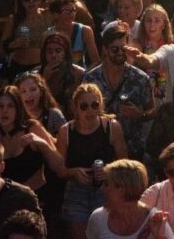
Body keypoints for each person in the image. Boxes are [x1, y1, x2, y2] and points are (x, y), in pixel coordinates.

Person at [56, 82, 129, 239]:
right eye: (84, 106)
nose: (90, 110)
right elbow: (60, 171)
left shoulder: (111, 127)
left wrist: (108, 170)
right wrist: (74, 172)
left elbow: (125, 164)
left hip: (106, 189)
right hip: (77, 192)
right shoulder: (66, 132)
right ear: (75, 108)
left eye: (94, 105)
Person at [83, 22, 155, 160]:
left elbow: (152, 111)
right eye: (115, 50)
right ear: (105, 49)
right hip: (100, 148)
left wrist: (140, 114)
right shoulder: (91, 79)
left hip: (132, 149)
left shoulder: (140, 78)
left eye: (123, 49)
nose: (120, 53)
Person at [86, 158, 174, 239]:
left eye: (106, 184)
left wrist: (159, 237)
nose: (102, 189)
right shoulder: (98, 218)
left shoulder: (156, 220)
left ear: (122, 190)